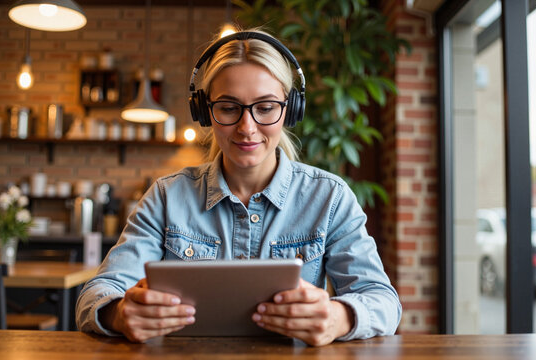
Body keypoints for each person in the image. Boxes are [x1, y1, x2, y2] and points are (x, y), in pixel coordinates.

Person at [76, 28, 401, 346]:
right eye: (229, 108)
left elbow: (382, 301)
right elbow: (97, 293)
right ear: (205, 111)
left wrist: (337, 317)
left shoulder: (329, 197)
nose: (247, 128)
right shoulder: (165, 197)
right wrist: (118, 314)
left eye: (265, 107)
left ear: (289, 110)